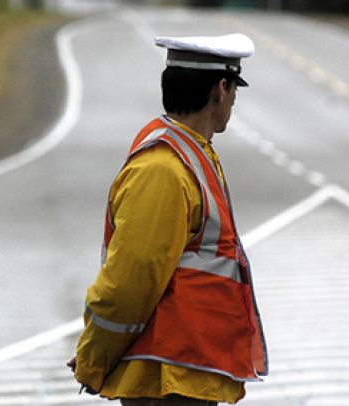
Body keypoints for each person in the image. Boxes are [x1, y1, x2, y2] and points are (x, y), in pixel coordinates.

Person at [68, 33, 268, 406]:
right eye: (234, 87)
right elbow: (129, 282)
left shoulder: (190, 155)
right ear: (220, 90)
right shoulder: (164, 168)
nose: (234, 100)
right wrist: (94, 361)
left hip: (182, 375)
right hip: (163, 379)